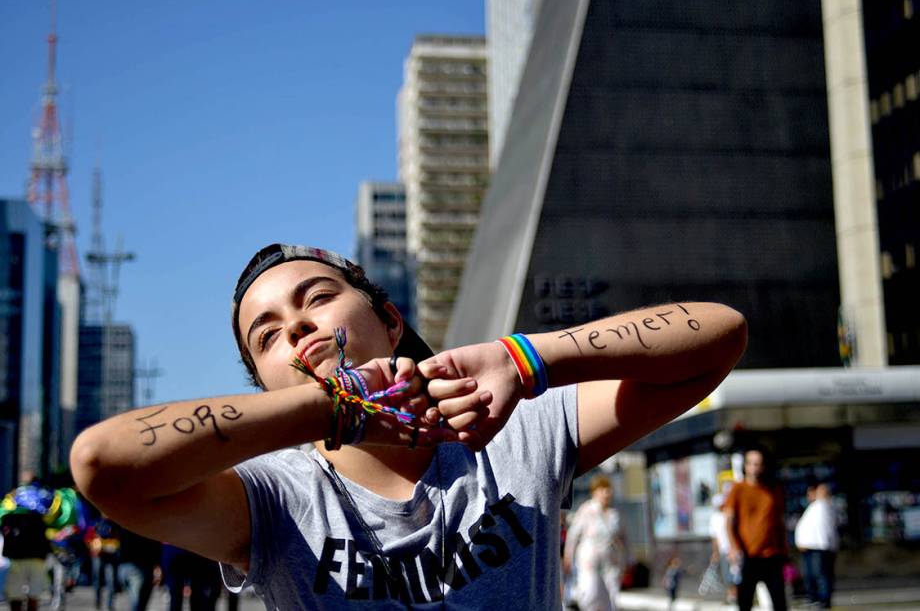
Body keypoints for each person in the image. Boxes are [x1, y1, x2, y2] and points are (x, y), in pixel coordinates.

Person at [70, 243, 747, 608]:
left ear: (390, 320)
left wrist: (527, 359)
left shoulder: (511, 429)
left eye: (317, 299)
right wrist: (333, 410)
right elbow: (102, 462)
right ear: (265, 386)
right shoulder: (270, 499)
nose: (299, 326)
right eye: (267, 335)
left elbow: (719, 336)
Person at [724, 448, 788, 611]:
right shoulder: (738, 489)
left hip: (772, 554)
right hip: (748, 554)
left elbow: (779, 521)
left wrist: (784, 549)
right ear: (745, 466)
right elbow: (729, 521)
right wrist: (733, 547)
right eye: (751, 464)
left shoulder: (773, 490)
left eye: (758, 464)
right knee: (744, 602)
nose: (755, 468)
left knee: (779, 602)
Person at [563, 476, 626, 611]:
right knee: (590, 594)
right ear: (595, 492)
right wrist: (569, 557)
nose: (607, 493)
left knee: (611, 595)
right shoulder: (587, 510)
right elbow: (573, 535)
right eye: (603, 489)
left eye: (609, 490)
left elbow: (624, 538)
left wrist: (628, 559)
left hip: (611, 560)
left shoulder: (615, 514)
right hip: (589, 559)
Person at [0, 481, 52, 611]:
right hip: (37, 556)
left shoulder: (10, 504)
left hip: (16, 556)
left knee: (15, 594)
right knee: (34, 593)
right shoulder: (42, 504)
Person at [794, 483, 837, 609]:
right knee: (810, 575)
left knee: (821, 575)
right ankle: (813, 598)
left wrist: (821, 492)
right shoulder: (813, 507)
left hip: (820, 547)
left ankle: (823, 599)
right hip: (810, 547)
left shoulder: (824, 505)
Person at [117, 528, 162, 611]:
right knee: (138, 605)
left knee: (137, 603)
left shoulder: (123, 520)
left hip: (126, 566)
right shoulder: (145, 523)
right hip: (138, 567)